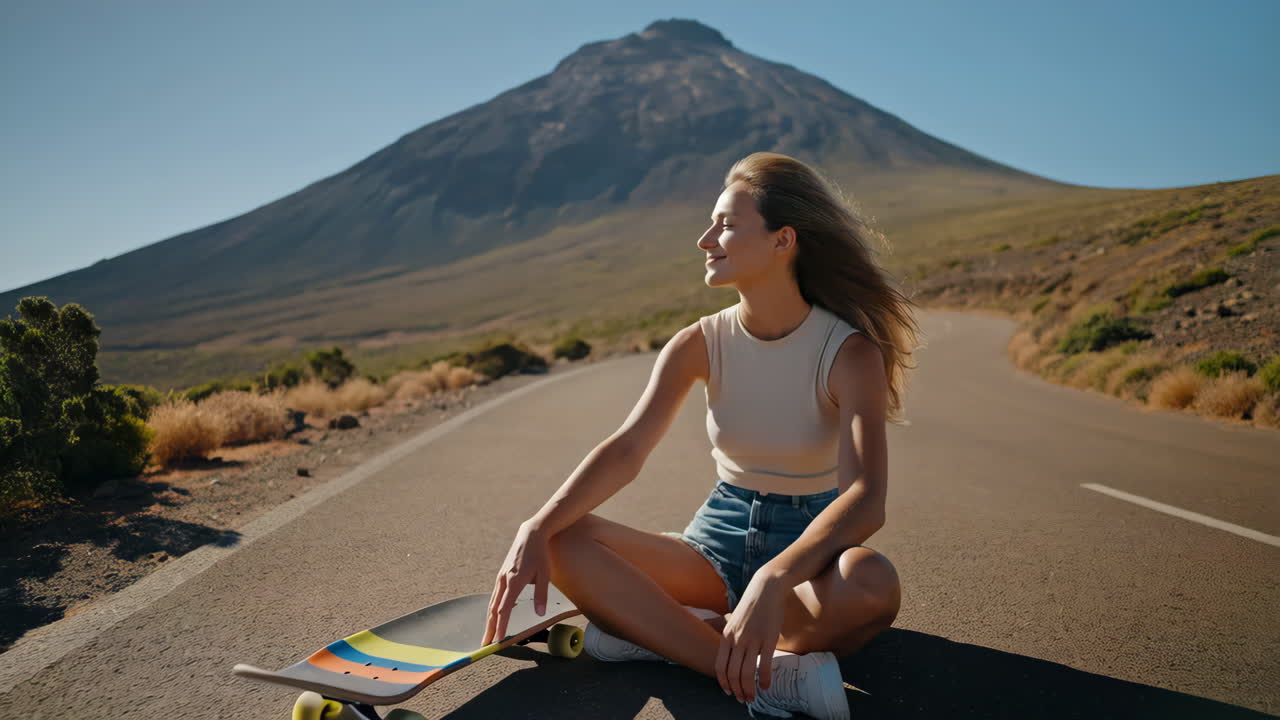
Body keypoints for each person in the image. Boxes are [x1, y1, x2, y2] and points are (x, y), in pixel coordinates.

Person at [481, 151, 924, 719]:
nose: (705, 239)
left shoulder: (848, 352)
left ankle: (659, 636)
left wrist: (774, 576)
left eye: (727, 224)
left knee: (872, 583)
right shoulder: (698, 342)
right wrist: (537, 525)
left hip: (806, 560)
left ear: (782, 240)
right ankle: (754, 674)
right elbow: (628, 447)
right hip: (713, 547)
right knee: (564, 536)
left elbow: (866, 498)